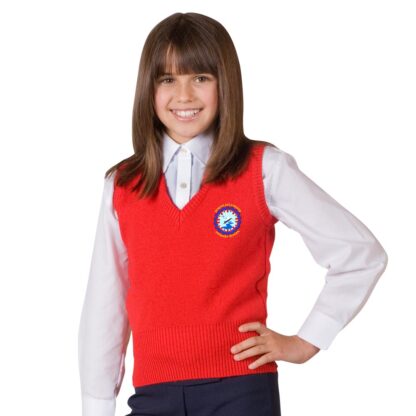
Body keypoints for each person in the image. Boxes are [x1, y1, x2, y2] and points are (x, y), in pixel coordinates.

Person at [77, 12, 388, 416]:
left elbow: (360, 253)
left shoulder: (264, 169)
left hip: (242, 392)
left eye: (200, 77)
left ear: (225, 83)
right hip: (153, 395)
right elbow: (105, 305)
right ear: (148, 89)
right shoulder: (122, 186)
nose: (184, 95)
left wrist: (307, 340)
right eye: (167, 79)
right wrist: (96, 406)